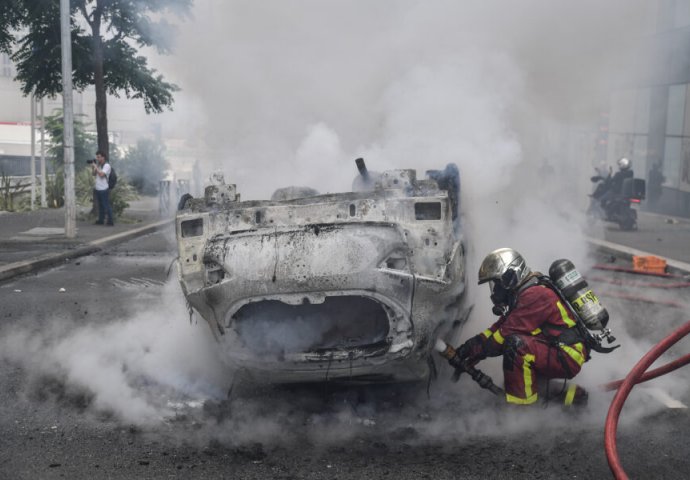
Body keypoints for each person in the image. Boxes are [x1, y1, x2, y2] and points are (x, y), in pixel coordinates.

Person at [451, 248, 589, 406]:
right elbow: (500, 326)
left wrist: (477, 351)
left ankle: (520, 410)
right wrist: (470, 346)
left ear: (510, 276)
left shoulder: (535, 295)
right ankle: (575, 396)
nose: (495, 291)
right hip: (556, 349)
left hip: (567, 354)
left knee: (516, 346)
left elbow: (503, 336)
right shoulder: (524, 294)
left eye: (497, 283)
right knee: (520, 381)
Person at [92, 150, 114, 226]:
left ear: (103, 157)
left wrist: (96, 167)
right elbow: (94, 174)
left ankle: (110, 221)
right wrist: (94, 167)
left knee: (106, 205)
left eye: (99, 157)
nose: (97, 158)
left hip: (104, 188)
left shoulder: (107, 166)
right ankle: (101, 220)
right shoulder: (99, 165)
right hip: (98, 188)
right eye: (97, 157)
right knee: (100, 206)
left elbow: (101, 174)